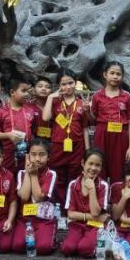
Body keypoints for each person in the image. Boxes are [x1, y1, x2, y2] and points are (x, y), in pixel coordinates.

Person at [43, 68, 89, 204]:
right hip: (58, 146)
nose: (67, 87)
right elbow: (45, 117)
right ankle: (59, 207)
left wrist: (87, 150)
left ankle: (72, 205)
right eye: (63, 84)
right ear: (59, 86)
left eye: (70, 83)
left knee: (75, 177)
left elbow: (85, 128)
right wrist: (50, 97)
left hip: (77, 146)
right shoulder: (55, 102)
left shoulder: (81, 103)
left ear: (75, 83)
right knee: (58, 177)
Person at [90, 61, 130, 183]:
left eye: (118, 74)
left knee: (119, 168)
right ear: (105, 74)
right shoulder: (97, 95)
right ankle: (101, 192)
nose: (115, 76)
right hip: (101, 134)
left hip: (121, 136)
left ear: (122, 76)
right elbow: (92, 118)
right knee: (99, 165)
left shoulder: (126, 96)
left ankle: (117, 193)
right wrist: (86, 111)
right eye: (112, 73)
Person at [12, 138, 58, 255]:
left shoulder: (51, 174)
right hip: (25, 219)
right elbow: (24, 196)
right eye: (33, 155)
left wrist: (33, 175)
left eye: (42, 155)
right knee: (17, 246)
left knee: (43, 248)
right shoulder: (21, 173)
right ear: (28, 156)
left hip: (44, 219)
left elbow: (38, 198)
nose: (37, 159)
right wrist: (27, 172)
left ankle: (50, 234)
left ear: (48, 157)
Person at [61, 149, 110, 257]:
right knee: (67, 248)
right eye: (90, 163)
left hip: (95, 226)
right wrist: (94, 217)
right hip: (77, 225)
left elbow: (95, 212)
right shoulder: (73, 184)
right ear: (83, 163)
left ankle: (95, 243)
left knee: (85, 249)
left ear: (101, 167)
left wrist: (92, 188)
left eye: (97, 165)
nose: (93, 168)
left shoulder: (103, 186)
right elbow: (70, 214)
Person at [0, 75, 38, 173]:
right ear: (12, 92)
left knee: (24, 177)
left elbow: (33, 131)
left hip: (27, 153)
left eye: (28, 91)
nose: (27, 94)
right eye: (24, 91)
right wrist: (8, 135)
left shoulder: (30, 110)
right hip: (7, 155)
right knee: (7, 176)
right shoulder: (1, 112)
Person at [31, 76, 54, 140]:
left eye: (47, 87)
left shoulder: (56, 107)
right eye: (40, 86)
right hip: (33, 141)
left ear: (51, 92)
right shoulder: (28, 106)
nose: (43, 89)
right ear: (34, 90)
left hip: (52, 140)